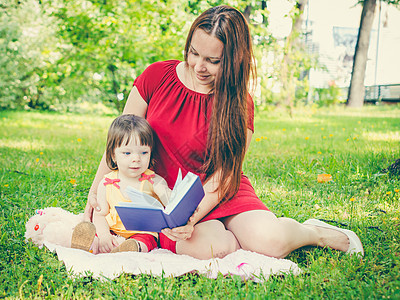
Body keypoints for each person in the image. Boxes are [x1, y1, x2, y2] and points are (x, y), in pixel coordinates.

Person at [84, 5, 363, 259]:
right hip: (166, 195)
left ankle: (312, 232)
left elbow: (226, 173)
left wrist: (192, 218)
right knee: (209, 248)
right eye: (194, 53)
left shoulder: (240, 103)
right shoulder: (156, 76)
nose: (198, 66)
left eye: (213, 60)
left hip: (219, 190)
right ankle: (227, 238)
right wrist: (94, 195)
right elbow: (118, 143)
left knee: (272, 243)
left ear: (233, 59)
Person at [72, 114, 170, 254]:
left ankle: (131, 248)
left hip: (142, 231)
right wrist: (105, 235)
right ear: (113, 155)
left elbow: (170, 203)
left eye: (143, 152)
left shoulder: (153, 180)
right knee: (99, 235)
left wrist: (165, 193)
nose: (136, 159)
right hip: (113, 231)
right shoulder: (106, 183)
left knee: (146, 241)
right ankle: (87, 243)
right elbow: (100, 215)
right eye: (127, 153)